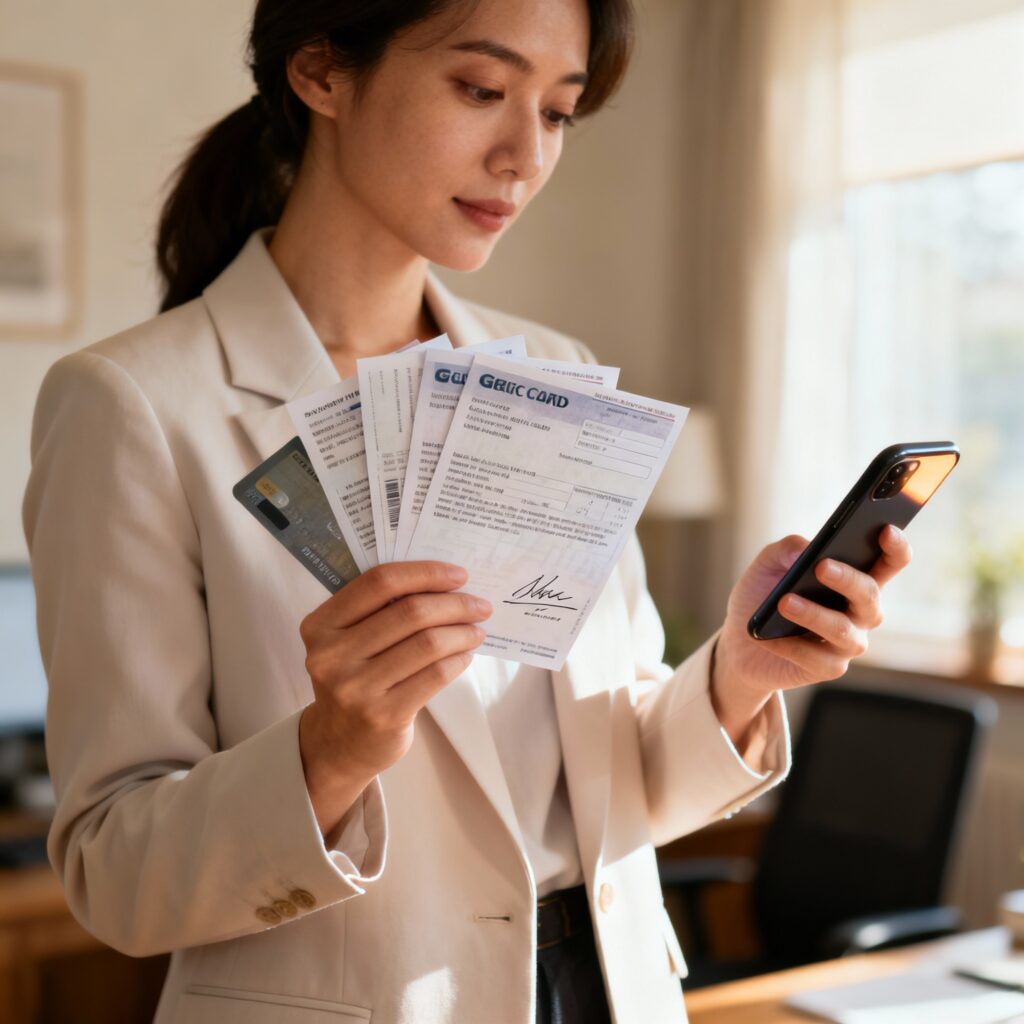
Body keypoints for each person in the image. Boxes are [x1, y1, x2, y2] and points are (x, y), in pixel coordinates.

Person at [22, 1, 910, 1022]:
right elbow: (113, 878)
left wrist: (741, 675)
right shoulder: (135, 404)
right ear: (321, 74)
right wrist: (333, 749)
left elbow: (615, 785)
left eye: (560, 113)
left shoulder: (557, 375)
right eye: (481, 91)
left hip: (607, 990)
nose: (524, 155)